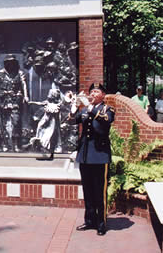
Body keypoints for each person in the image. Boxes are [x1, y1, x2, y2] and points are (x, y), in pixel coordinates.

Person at [68, 83, 115, 236]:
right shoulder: (84, 109)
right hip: (86, 155)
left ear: (103, 95)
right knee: (87, 191)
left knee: (99, 192)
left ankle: (101, 223)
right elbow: (71, 121)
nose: (93, 94)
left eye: (96, 91)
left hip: (100, 156)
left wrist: (90, 107)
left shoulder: (107, 109)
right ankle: (89, 221)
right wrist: (73, 108)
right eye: (92, 91)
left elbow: (106, 121)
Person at [0, 54, 29, 152]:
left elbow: (24, 84)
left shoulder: (19, 73)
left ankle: (16, 145)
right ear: (6, 63)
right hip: (3, 101)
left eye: (12, 62)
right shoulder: (0, 74)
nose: (10, 64)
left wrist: (25, 96)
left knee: (16, 123)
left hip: (15, 101)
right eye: (8, 62)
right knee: (4, 124)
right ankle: (5, 144)